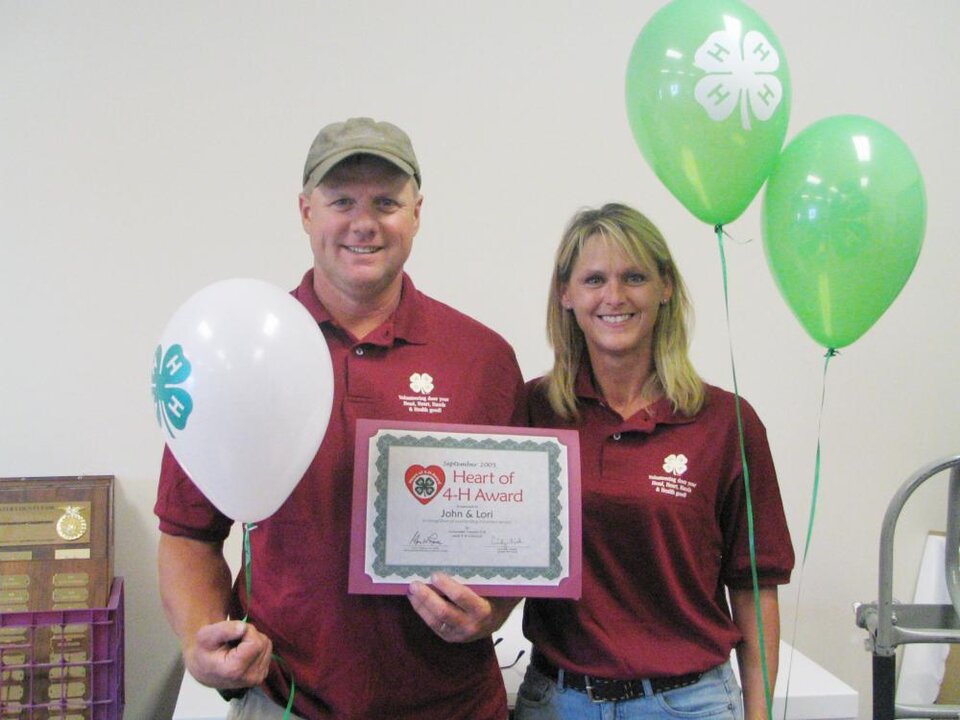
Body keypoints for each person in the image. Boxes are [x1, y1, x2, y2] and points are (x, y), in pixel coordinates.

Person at [155, 117, 524, 720]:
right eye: (341, 201)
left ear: (417, 212)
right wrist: (203, 646)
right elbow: (189, 531)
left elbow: (519, 533)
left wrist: (496, 611)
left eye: (386, 202)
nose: (364, 223)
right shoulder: (237, 351)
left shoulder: (481, 358)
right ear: (305, 211)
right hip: (288, 703)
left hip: (455, 707)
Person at [515, 203, 794, 720]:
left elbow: (756, 586)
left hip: (689, 704)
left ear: (665, 287)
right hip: (557, 702)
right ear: (566, 294)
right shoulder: (533, 411)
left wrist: (760, 715)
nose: (614, 296)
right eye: (594, 279)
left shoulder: (726, 421)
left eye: (635, 277)